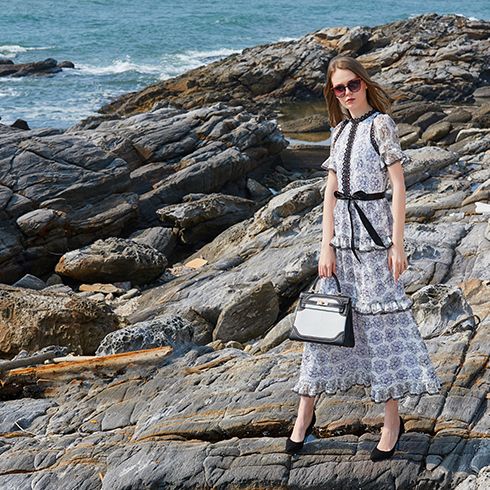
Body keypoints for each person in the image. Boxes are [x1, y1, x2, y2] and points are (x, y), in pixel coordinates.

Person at [286, 55, 442, 461]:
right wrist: (325, 245)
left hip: (375, 243)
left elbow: (398, 187)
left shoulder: (381, 125)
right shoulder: (338, 131)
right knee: (321, 327)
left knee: (382, 330)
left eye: (352, 85)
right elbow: (330, 192)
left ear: (365, 84)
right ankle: (304, 417)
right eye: (339, 88)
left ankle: (391, 423)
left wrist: (397, 244)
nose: (347, 93)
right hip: (340, 244)